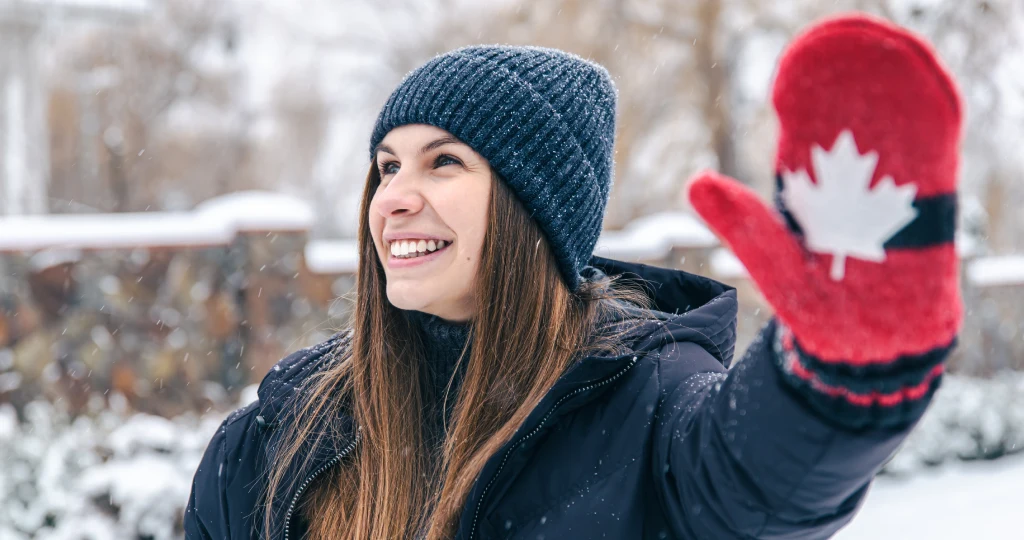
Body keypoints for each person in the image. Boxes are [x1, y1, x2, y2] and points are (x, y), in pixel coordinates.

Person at [184, 12, 962, 540]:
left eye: (443, 161)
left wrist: (838, 377)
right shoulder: (280, 438)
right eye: (386, 167)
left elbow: (760, 482)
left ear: (535, 210)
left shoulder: (649, 407)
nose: (394, 198)